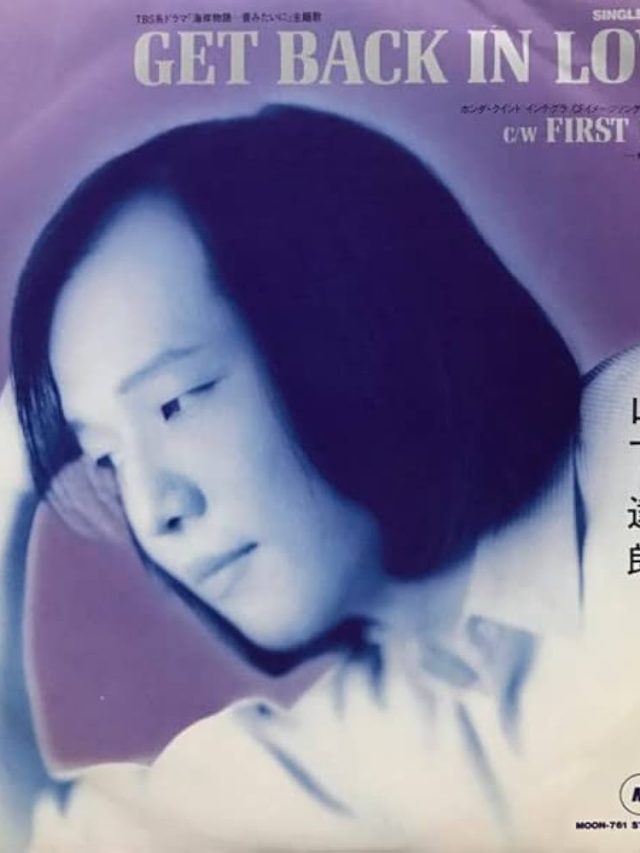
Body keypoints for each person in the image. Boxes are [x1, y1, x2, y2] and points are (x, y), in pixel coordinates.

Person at [0, 105, 593, 851]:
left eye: (175, 403)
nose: (155, 511)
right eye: (108, 460)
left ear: (347, 323)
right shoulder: (343, 755)